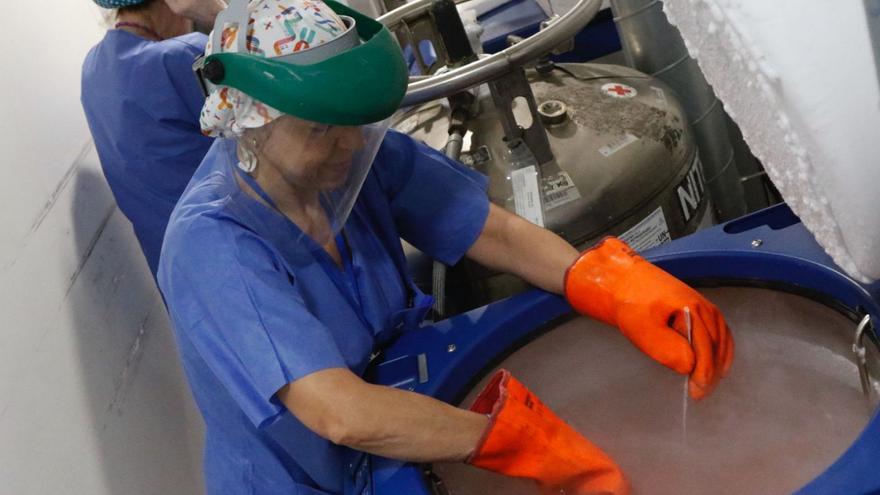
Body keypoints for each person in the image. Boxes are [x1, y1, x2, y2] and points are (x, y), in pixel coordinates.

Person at [158, 0, 735, 494]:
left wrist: (607, 281)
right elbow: (339, 412)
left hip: (396, 410)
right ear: (249, 122)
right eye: (320, 130)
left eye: (356, 124)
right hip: (307, 477)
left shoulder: (350, 158)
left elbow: (491, 230)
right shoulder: (213, 244)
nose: (348, 144)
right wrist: (516, 440)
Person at [81, 0, 225, 278]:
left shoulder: (92, 70)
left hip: (179, 276)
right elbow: (283, 112)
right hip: (247, 255)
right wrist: (220, 15)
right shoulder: (184, 57)